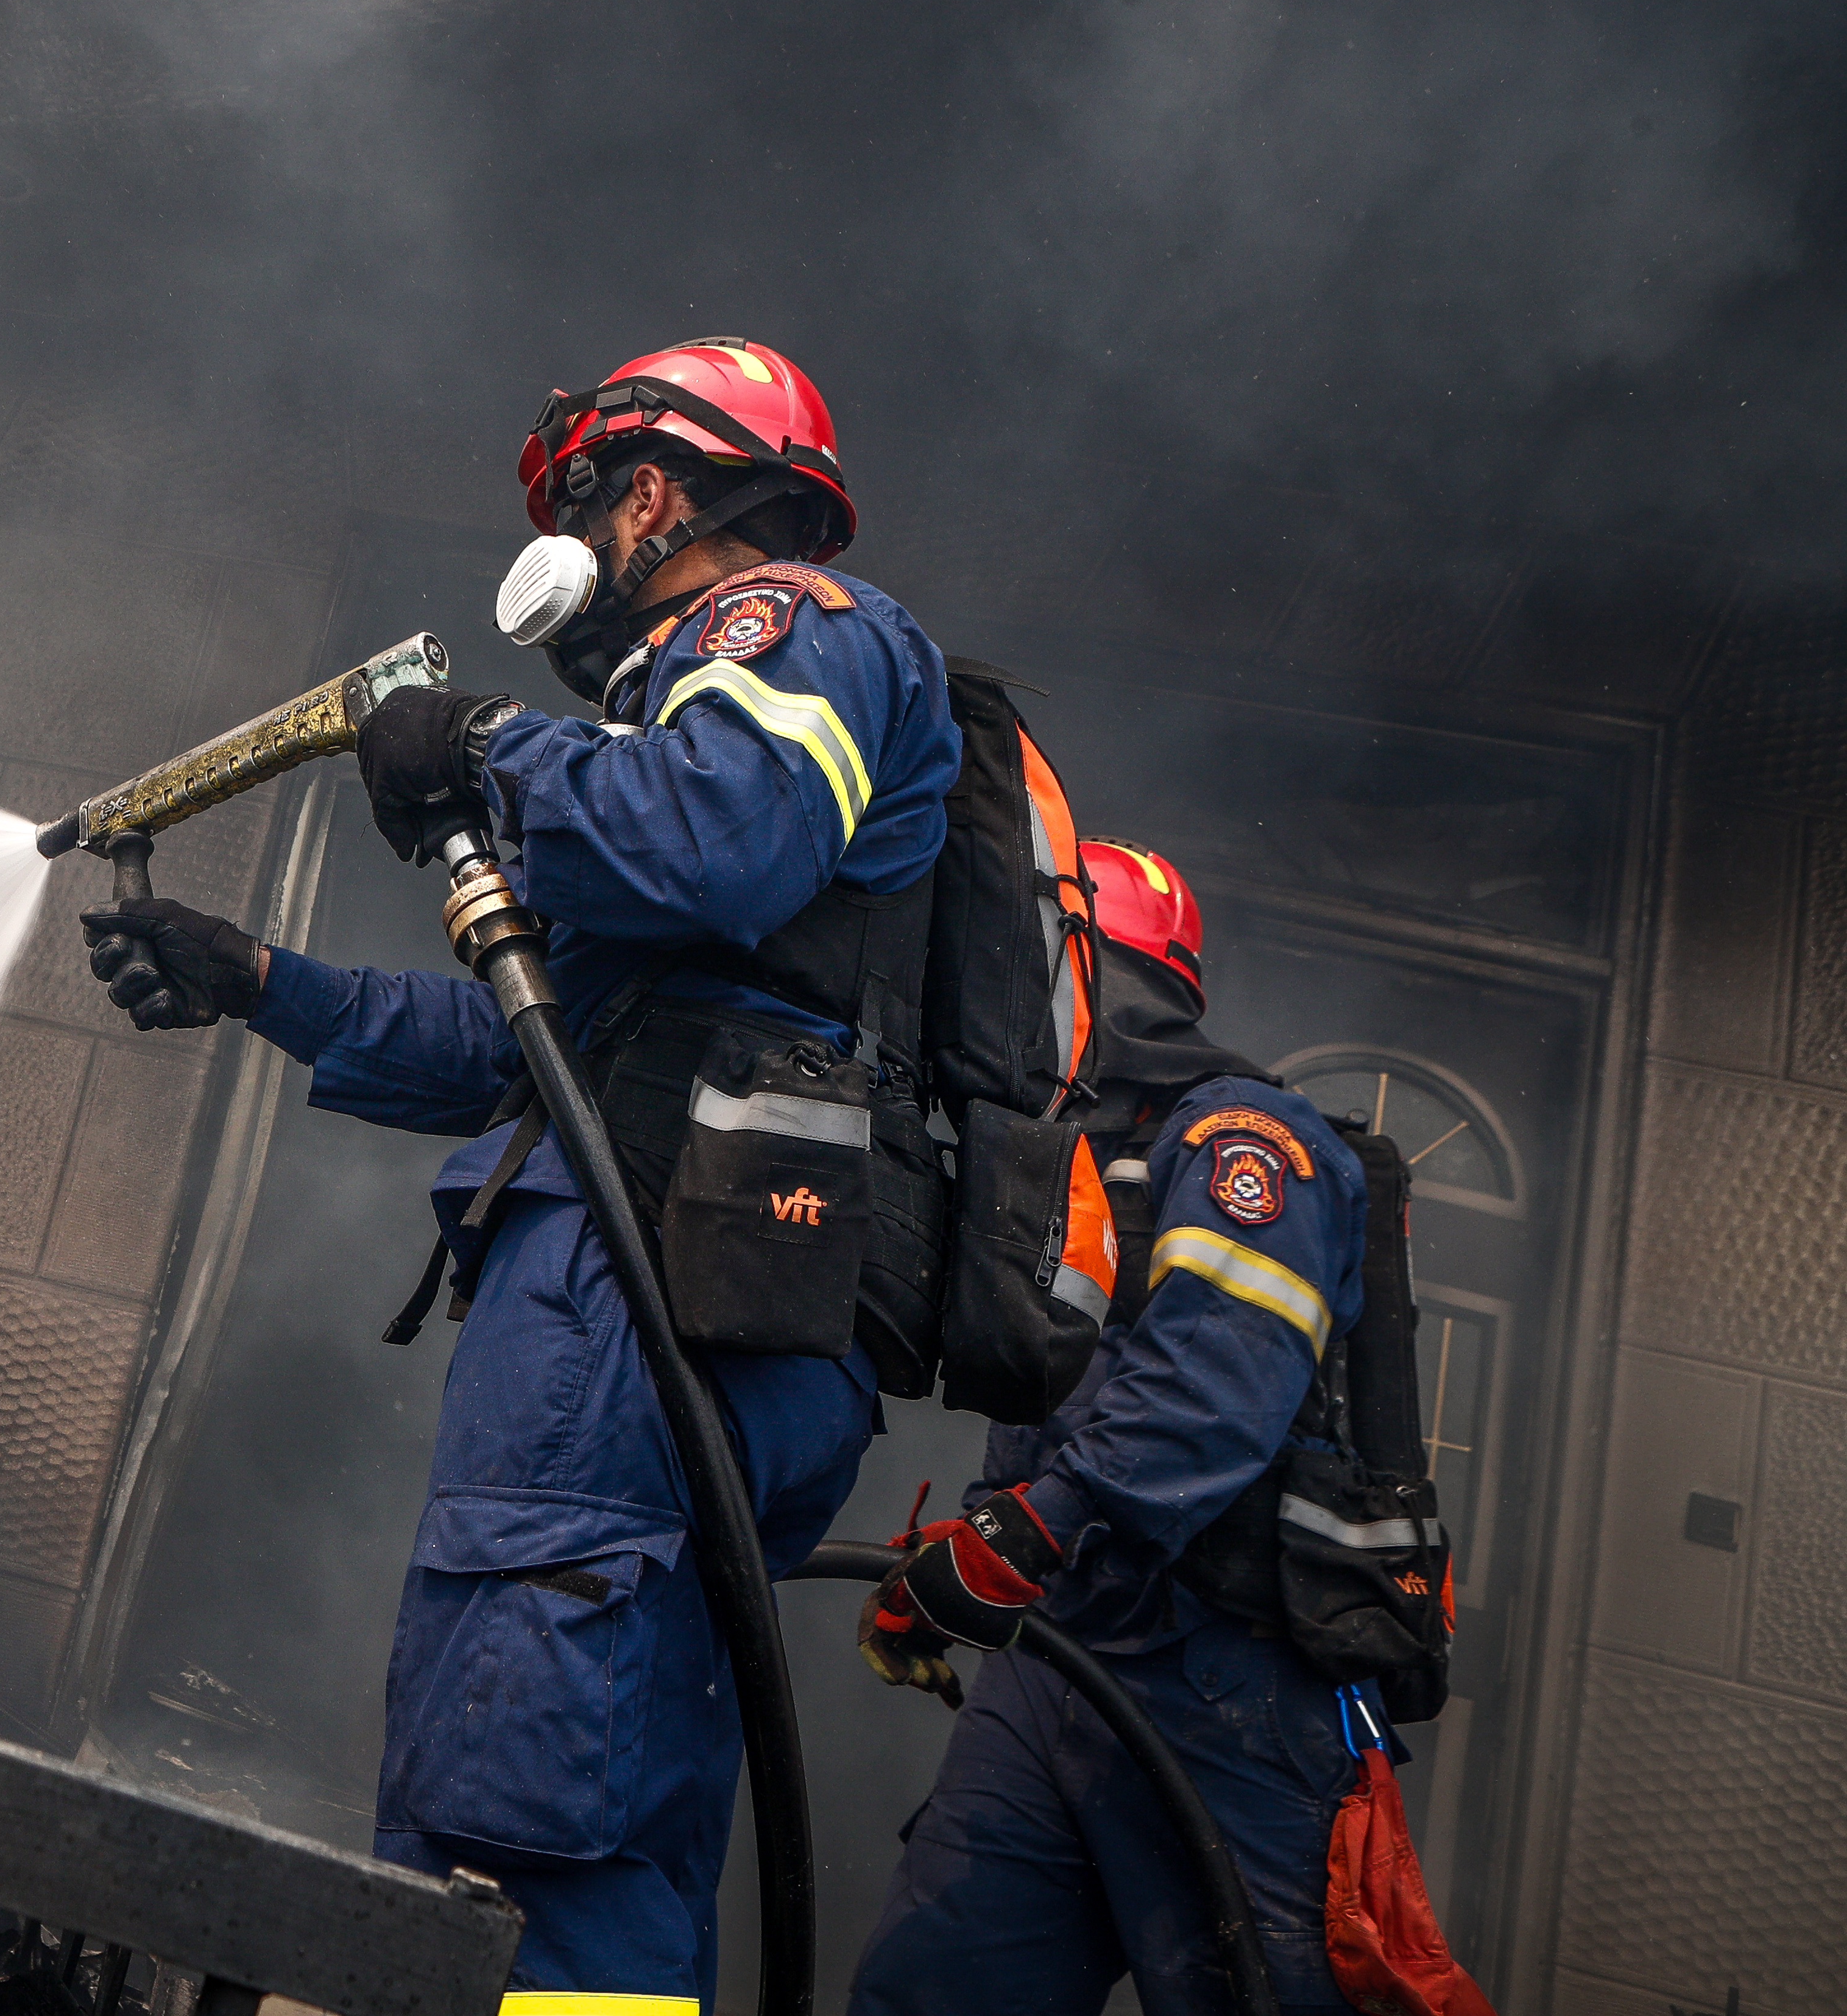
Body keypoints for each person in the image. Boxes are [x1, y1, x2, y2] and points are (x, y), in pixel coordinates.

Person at [82, 338, 962, 2009]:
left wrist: (486, 742)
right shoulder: (686, 742)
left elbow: (719, 835)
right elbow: (528, 1045)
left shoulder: (784, 628)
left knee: (510, 1823)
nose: (565, 537)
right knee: (598, 1820)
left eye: (575, 494)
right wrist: (254, 980)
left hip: (647, 1305)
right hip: (695, 1279)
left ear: (647, 489)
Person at [847, 838, 1371, 2016]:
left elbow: (1209, 1387)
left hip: (1228, 1682)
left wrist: (1029, 1536)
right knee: (934, 1994)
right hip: (1056, 1670)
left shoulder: (1245, 1144)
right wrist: (965, 1559)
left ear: (1093, 962)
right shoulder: (1068, 1161)